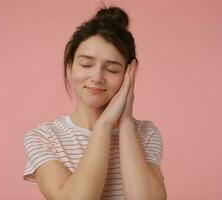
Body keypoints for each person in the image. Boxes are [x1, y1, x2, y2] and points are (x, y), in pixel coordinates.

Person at [23, 5, 167, 200]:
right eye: (86, 65)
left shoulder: (145, 134)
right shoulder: (44, 137)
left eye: (112, 69)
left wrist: (125, 124)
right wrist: (104, 124)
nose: (97, 77)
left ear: (129, 73)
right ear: (70, 66)